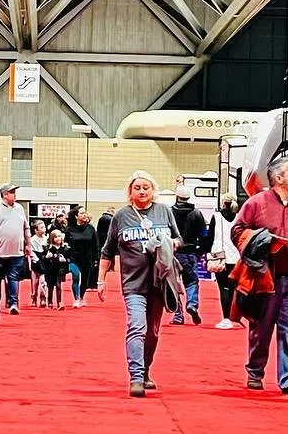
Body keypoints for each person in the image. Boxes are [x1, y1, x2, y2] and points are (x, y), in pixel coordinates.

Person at [232, 160, 288, 397]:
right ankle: (255, 371)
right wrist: (257, 242)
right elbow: (237, 231)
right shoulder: (255, 204)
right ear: (278, 178)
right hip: (265, 277)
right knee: (261, 328)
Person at [99, 171, 182, 398]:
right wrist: (101, 280)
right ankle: (135, 377)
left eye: (146, 187)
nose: (142, 191)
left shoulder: (164, 211)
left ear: (153, 190)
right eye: (137, 188)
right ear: (130, 192)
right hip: (133, 283)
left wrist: (167, 243)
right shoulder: (121, 216)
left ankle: (145, 371)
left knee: (153, 332)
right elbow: (107, 250)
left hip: (159, 283)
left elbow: (178, 239)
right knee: (137, 327)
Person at [0, 183, 27, 314]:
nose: (15, 194)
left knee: (14, 278)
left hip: (16, 252)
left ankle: (13, 303)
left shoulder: (19, 208)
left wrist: (28, 245)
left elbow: (26, 227)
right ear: (4, 194)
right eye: (12, 192)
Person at [170, 185, 208, 325]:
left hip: (173, 253)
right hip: (190, 252)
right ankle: (192, 304)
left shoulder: (169, 212)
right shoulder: (196, 213)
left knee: (173, 284)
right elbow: (204, 234)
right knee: (191, 281)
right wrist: (200, 251)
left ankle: (178, 315)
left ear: (177, 197)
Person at [208, 195, 241, 330]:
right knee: (234, 288)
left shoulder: (216, 217)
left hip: (220, 256)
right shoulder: (240, 217)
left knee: (223, 288)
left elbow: (210, 237)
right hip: (237, 257)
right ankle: (235, 315)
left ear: (223, 203)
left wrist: (206, 253)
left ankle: (226, 318)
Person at [65, 210, 99, 308]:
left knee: (85, 280)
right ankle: (76, 299)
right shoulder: (69, 229)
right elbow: (65, 245)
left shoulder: (91, 229)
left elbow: (95, 244)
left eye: (85, 213)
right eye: (82, 213)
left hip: (87, 258)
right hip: (73, 258)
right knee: (75, 276)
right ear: (76, 216)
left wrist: (96, 258)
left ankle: (81, 297)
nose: (85, 215)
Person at [40, 230, 70, 310]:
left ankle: (59, 302)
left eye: (59, 236)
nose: (58, 238)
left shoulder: (65, 248)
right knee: (50, 286)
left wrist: (65, 260)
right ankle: (50, 301)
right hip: (50, 270)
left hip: (60, 269)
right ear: (52, 238)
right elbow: (42, 259)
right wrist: (47, 257)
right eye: (55, 237)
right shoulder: (47, 248)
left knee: (58, 285)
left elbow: (69, 258)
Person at [27, 219, 48, 307]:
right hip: (35, 261)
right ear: (36, 230)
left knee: (43, 281)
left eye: (44, 227)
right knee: (34, 283)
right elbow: (30, 251)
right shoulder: (32, 240)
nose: (44, 229)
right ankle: (33, 298)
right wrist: (35, 260)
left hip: (44, 260)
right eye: (41, 227)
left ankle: (43, 298)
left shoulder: (47, 239)